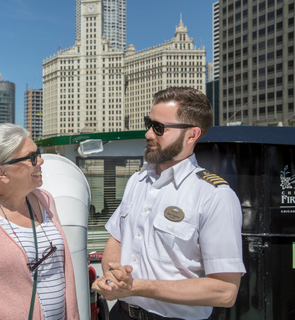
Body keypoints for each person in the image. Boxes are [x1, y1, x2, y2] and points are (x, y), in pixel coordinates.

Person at [92, 87, 246, 320]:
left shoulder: (214, 196)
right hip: (121, 314)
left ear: (192, 135)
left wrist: (137, 287)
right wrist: (113, 277)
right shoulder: (138, 179)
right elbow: (116, 239)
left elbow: (225, 291)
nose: (148, 134)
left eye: (159, 128)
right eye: (149, 123)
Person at [0, 123, 80, 320]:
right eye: (32, 157)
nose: (41, 161)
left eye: (39, 153)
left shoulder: (45, 200)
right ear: (1, 172)